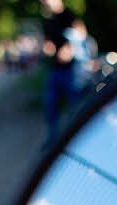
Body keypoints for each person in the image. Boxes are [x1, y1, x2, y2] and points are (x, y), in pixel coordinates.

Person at [40, 0, 80, 145]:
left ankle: (75, 137)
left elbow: (81, 35)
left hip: (71, 70)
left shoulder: (68, 15)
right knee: (50, 103)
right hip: (55, 69)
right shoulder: (48, 21)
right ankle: (53, 137)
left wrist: (70, 48)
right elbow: (48, 44)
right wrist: (48, 48)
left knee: (74, 104)